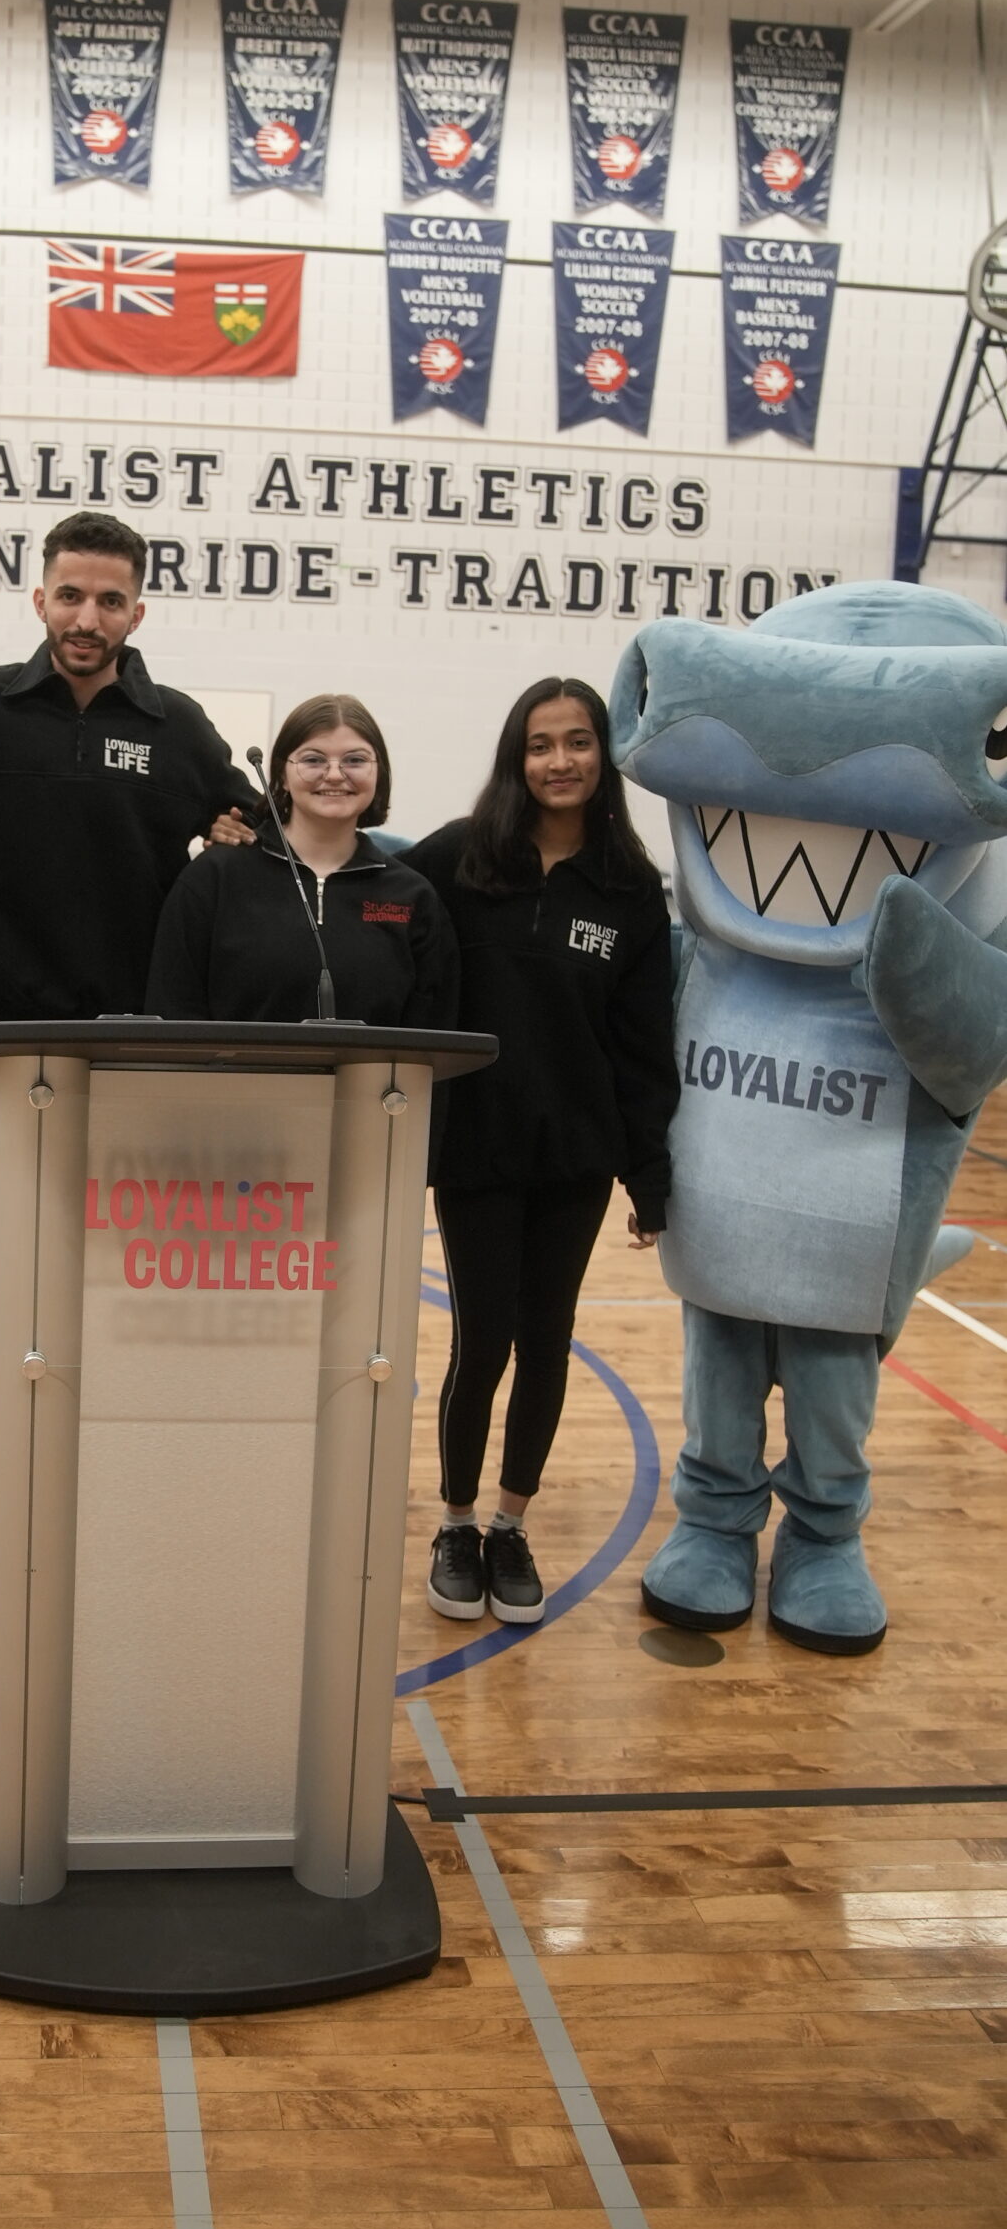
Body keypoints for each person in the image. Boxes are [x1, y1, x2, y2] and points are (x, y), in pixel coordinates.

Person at [0, 509, 256, 1602]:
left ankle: (109, 1491)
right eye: (70, 594)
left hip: (131, 1063)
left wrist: (237, 849)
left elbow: (266, 843)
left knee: (119, 1294)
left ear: (138, 611)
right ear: (39, 597)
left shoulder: (179, 728)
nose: (87, 617)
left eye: (110, 600)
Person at [404, 676, 677, 1629]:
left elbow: (643, 1046)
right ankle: (456, 1522)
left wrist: (650, 1174)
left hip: (574, 1160)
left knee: (546, 1340)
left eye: (578, 742)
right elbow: (364, 884)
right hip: (475, 1152)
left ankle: (512, 1525)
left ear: (604, 758)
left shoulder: (632, 892)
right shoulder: (458, 859)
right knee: (480, 1342)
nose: (559, 761)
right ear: (515, 759)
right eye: (540, 744)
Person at [146, 693, 456, 1032]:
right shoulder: (214, 878)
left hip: (371, 1087)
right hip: (233, 1084)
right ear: (281, 774)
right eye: (313, 760)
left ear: (379, 772)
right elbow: (173, 1013)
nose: (335, 774)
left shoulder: (412, 895)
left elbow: (432, 1037)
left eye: (355, 760)